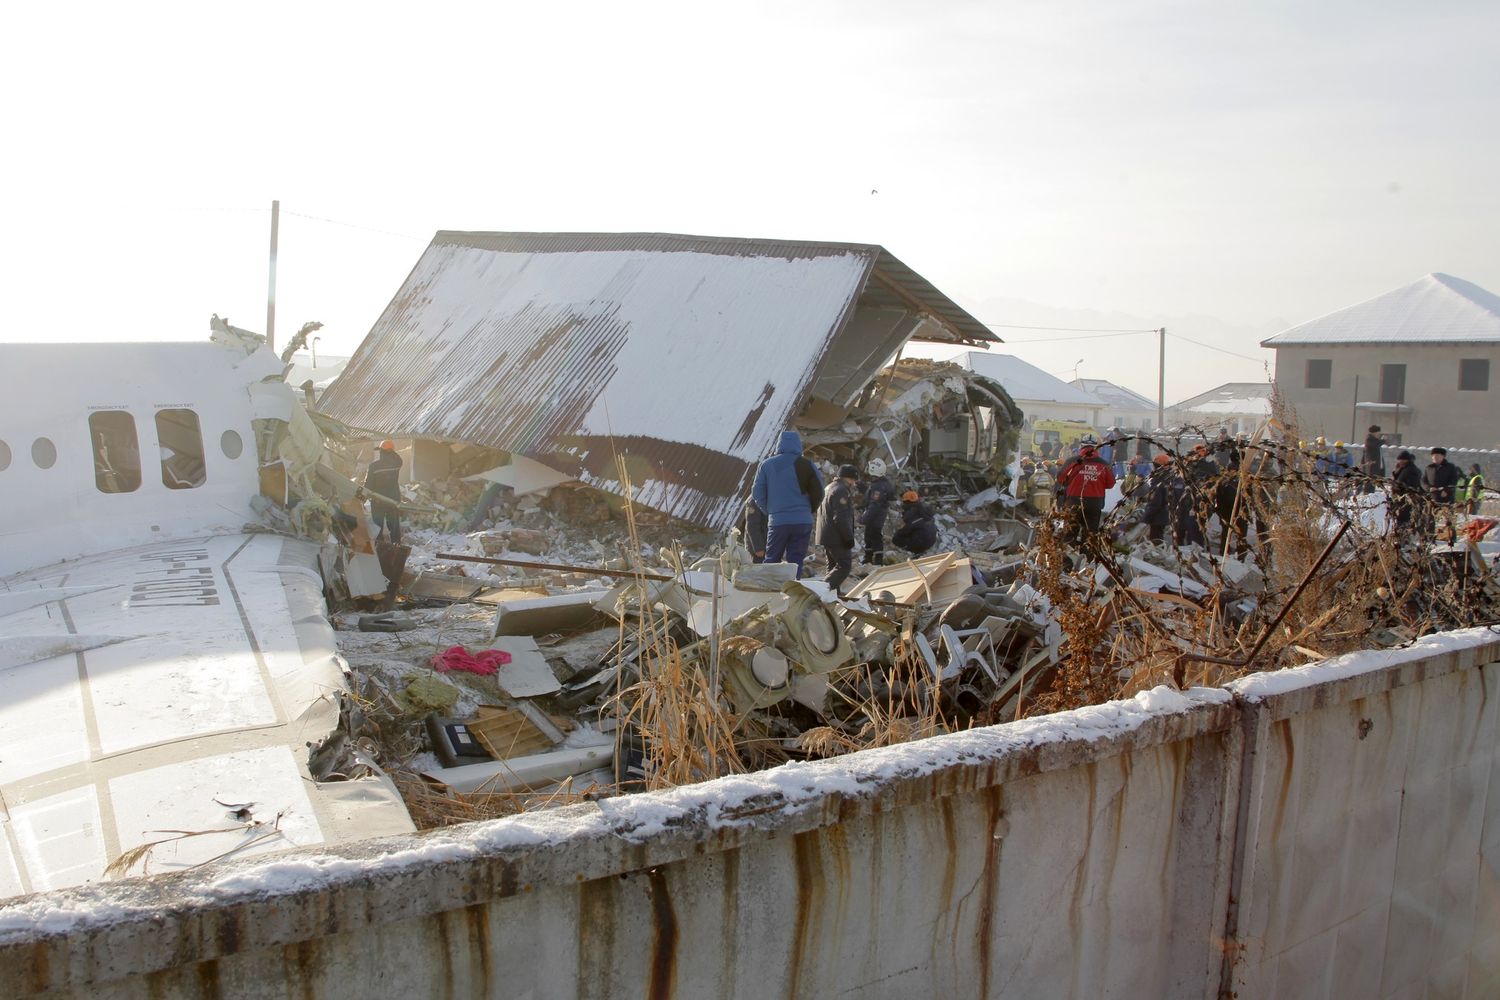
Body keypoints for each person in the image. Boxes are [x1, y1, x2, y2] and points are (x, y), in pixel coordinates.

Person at [752, 430, 822, 576]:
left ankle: (770, 594)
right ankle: (792, 592)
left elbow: (757, 493)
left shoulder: (767, 465)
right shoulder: (807, 464)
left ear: (779, 445)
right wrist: (809, 510)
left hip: (778, 521)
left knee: (772, 560)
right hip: (802, 521)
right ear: (798, 445)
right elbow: (819, 492)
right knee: (795, 562)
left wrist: (770, 510)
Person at [1056, 437, 1116, 542]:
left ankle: (1069, 556)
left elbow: (1061, 479)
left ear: (1081, 446)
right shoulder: (1104, 464)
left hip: (1074, 501)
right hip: (1095, 502)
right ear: (1096, 448)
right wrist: (1096, 483)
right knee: (1090, 534)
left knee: (1070, 533)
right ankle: (1088, 557)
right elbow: (1110, 484)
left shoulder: (1072, 461)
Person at [816, 465, 859, 591]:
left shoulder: (829, 488)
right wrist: (848, 538)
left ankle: (832, 598)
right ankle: (820, 591)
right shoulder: (841, 491)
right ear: (848, 478)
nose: (854, 483)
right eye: (853, 480)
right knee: (844, 566)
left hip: (826, 535)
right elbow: (840, 517)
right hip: (836, 537)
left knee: (832, 566)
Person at [365, 440, 404, 544]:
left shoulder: (374, 466)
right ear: (392, 452)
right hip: (393, 500)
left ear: (381, 452)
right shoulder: (395, 465)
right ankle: (396, 546)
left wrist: (363, 497)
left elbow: (368, 484)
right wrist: (391, 451)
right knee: (394, 526)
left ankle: (378, 547)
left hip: (378, 501)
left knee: (377, 527)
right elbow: (399, 460)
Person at [861, 458, 894, 567]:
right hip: (878, 515)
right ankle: (869, 559)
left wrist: (863, 519)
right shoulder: (880, 484)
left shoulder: (879, 487)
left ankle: (876, 561)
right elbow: (871, 496)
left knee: (874, 536)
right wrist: (861, 487)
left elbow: (874, 504)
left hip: (876, 516)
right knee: (870, 536)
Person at [1140, 453, 1177, 542]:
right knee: (1159, 537)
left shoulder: (1158, 480)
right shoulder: (1172, 478)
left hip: (1157, 516)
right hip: (1166, 513)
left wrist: (1146, 517)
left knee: (1155, 539)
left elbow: (1155, 502)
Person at [891, 490, 938, 555]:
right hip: (931, 540)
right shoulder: (924, 509)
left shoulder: (911, 512)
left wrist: (895, 537)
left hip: (922, 542)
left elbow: (907, 529)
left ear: (906, 501)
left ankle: (910, 552)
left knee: (897, 539)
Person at [1390, 450, 1424, 534]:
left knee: (1404, 520)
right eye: (1399, 460)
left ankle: (1404, 538)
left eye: (1403, 460)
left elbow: (1411, 486)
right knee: (1399, 520)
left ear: (1407, 460)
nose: (1401, 462)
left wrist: (1398, 487)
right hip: (1400, 500)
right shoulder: (1402, 469)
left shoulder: (1411, 470)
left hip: (1406, 501)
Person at [1361, 425, 1385, 493]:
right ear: (1374, 432)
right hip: (1371, 467)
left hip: (1375, 467)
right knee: (1369, 484)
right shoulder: (1369, 439)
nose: (1379, 434)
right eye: (1378, 433)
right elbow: (1376, 444)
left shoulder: (1374, 440)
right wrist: (1383, 440)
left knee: (1373, 484)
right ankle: (1367, 498)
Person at [743, 497, 768, 563]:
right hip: (758, 551)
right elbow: (752, 526)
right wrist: (758, 548)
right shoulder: (754, 501)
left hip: (766, 547)